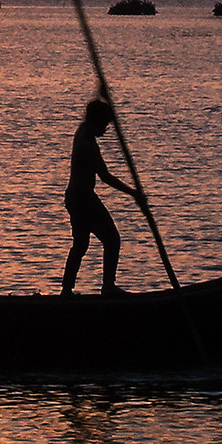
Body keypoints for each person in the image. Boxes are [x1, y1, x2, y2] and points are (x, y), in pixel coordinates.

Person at [62, 98, 142, 297]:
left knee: (80, 245)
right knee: (112, 239)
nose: (106, 130)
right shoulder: (87, 144)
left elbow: (92, 109)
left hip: (73, 197)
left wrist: (101, 94)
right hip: (83, 199)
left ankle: (66, 290)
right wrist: (133, 193)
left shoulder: (81, 130)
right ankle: (108, 286)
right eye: (104, 125)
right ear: (96, 122)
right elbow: (105, 177)